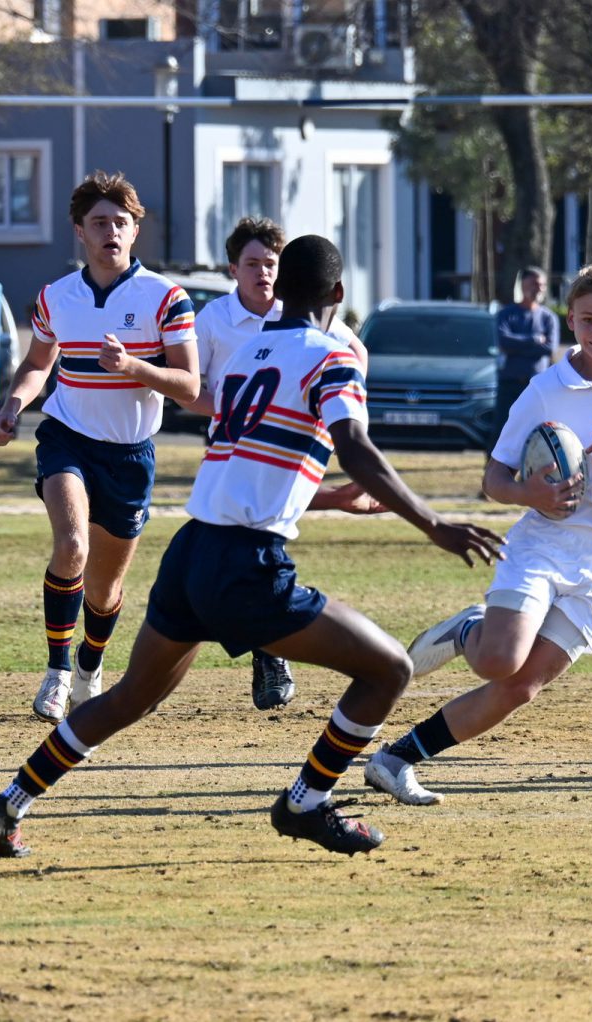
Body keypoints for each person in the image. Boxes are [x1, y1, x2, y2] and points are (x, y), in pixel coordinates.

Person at [0, 236, 504, 858]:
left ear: (280, 289)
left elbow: (252, 465)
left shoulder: (250, 355)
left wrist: (329, 498)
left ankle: (6, 804)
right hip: (246, 564)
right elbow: (353, 444)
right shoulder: (333, 356)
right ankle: (306, 802)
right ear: (338, 295)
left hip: (192, 551)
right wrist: (434, 524)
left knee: (127, 698)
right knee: (390, 670)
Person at [361, 256, 592, 805]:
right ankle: (467, 631)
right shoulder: (544, 390)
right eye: (588, 319)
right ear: (570, 320)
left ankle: (396, 759)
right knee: (497, 659)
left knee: (520, 686)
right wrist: (531, 494)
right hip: (544, 544)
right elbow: (494, 478)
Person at [0, 171, 200, 725]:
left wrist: (134, 367)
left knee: (105, 591)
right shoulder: (55, 297)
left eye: (121, 222)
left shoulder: (166, 298)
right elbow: (39, 363)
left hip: (130, 454)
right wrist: (14, 404)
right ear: (79, 231)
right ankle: (58, 671)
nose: (111, 231)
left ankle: (89, 665)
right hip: (67, 438)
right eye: (99, 222)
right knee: (72, 547)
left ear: (135, 231)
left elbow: (191, 385)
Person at [183, 215, 377, 711]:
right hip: (231, 446)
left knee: (258, 540)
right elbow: (194, 390)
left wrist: (345, 407)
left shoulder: (307, 323)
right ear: (234, 268)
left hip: (279, 442)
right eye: (253, 263)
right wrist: (239, 407)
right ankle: (260, 644)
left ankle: (266, 653)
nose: (262, 273)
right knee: (247, 549)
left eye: (271, 263)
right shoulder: (215, 320)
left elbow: (358, 353)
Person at [490, 267, 561, 455]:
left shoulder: (548, 318)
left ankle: (532, 476)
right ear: (522, 285)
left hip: (536, 386)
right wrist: (534, 340)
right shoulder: (507, 314)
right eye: (534, 284)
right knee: (502, 430)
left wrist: (519, 344)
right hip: (509, 384)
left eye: (542, 285)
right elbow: (504, 342)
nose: (538, 289)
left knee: (537, 432)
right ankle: (494, 476)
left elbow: (549, 348)